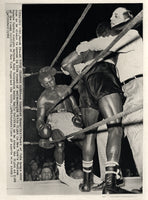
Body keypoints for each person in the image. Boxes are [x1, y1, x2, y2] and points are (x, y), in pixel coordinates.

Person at [74, 7, 143, 193]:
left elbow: (108, 43)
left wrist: (87, 45)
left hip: (139, 84)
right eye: (111, 15)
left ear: (129, 18)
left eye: (116, 15)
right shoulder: (118, 47)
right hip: (124, 89)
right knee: (107, 130)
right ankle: (110, 178)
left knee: (137, 132)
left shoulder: (132, 33)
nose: (112, 18)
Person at [61, 22, 128, 193]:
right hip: (104, 76)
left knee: (89, 132)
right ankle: (110, 184)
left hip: (86, 84)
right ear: (109, 33)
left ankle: (86, 183)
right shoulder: (111, 42)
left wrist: (78, 81)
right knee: (115, 128)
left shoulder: (87, 46)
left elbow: (66, 63)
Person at [36, 66, 84, 188]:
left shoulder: (65, 88)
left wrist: (78, 114)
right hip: (55, 119)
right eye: (46, 83)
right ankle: (62, 175)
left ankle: (89, 172)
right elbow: (40, 118)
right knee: (59, 143)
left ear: (53, 77)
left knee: (84, 142)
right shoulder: (43, 98)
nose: (50, 84)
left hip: (69, 117)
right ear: (42, 85)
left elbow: (74, 105)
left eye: (51, 80)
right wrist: (42, 128)